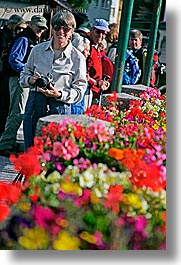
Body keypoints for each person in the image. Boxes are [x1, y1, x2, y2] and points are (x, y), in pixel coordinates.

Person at [20, 11, 87, 151]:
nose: (60, 31)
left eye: (66, 28)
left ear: (72, 31)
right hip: (35, 102)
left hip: (60, 107)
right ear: (52, 28)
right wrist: (31, 80)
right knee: (31, 151)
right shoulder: (37, 50)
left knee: (54, 153)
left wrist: (60, 94)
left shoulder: (78, 58)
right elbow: (23, 76)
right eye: (57, 27)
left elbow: (80, 90)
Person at [0, 15, 48, 157]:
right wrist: (28, 73)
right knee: (17, 112)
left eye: (42, 28)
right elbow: (14, 60)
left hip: (21, 79)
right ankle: (5, 144)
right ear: (31, 25)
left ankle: (9, 141)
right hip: (18, 79)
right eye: (39, 27)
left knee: (17, 111)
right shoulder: (24, 39)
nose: (40, 31)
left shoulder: (27, 38)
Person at [0, 15, 25, 138]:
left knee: (6, 107)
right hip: (3, 75)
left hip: (5, 74)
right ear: (11, 24)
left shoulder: (13, 37)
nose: (20, 30)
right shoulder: (3, 35)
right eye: (18, 27)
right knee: (4, 107)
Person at [87, 19, 111, 101]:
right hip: (86, 90)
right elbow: (83, 74)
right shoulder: (86, 47)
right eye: (98, 32)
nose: (100, 35)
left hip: (95, 91)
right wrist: (97, 83)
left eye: (104, 33)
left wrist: (103, 81)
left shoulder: (98, 48)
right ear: (92, 30)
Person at [71, 34, 92, 113]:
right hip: (73, 107)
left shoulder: (82, 64)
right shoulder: (72, 65)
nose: (89, 54)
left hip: (79, 107)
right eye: (87, 50)